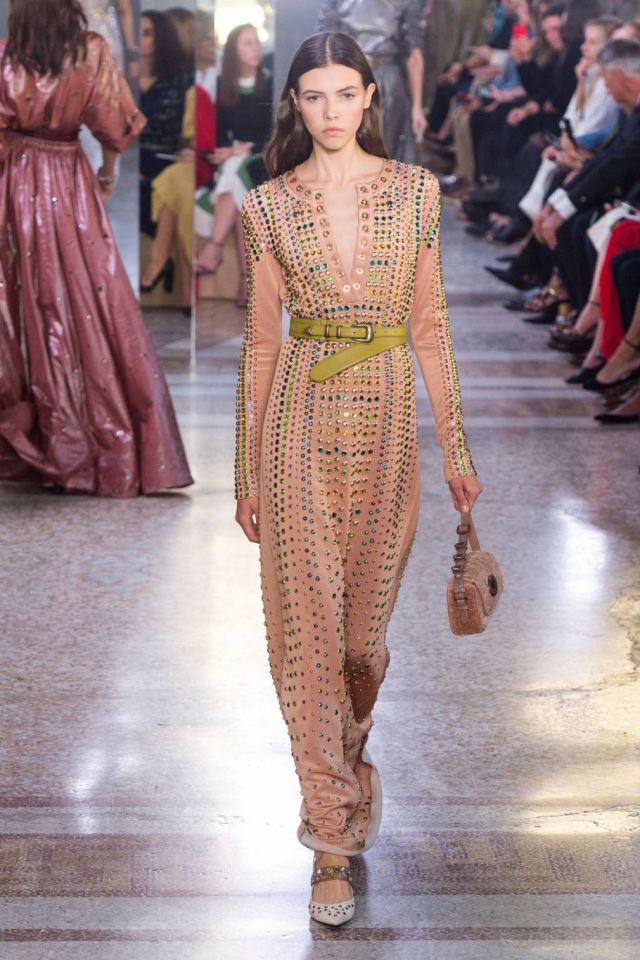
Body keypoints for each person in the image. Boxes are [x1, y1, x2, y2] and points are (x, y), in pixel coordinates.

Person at [233, 31, 481, 926]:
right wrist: (246, 472)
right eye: (314, 96)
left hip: (384, 431)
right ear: (294, 104)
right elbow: (262, 345)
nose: (330, 112)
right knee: (306, 639)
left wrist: (456, 450)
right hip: (296, 427)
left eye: (345, 93)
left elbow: (430, 329)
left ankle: (350, 756)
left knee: (359, 645)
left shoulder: (414, 193)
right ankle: (331, 840)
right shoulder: (268, 206)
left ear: (370, 97)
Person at [0, 0, 193, 497]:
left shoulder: (6, 57)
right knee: (84, 298)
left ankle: (39, 433)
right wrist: (106, 173)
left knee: (21, 306)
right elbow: (113, 121)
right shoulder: (90, 51)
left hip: (13, 182)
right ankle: (88, 435)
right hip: (68, 179)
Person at [194, 22, 273, 308]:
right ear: (234, 51)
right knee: (242, 199)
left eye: (257, 42)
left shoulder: (270, 83)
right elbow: (218, 134)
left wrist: (245, 149)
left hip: (263, 159)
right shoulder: (223, 86)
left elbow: (274, 133)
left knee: (238, 168)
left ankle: (214, 247)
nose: (256, 49)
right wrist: (223, 151)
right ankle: (246, 282)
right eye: (248, 43)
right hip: (236, 164)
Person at [317, 0, 428, 162]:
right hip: (374, 80)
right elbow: (414, 55)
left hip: (364, 81)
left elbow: (325, 47)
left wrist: (417, 107)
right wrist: (417, 107)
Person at [139, 10, 194, 240]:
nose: (139, 39)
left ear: (160, 39)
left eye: (147, 33)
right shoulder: (121, 78)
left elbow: (191, 128)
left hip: (166, 158)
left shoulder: (182, 79)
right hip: (130, 157)